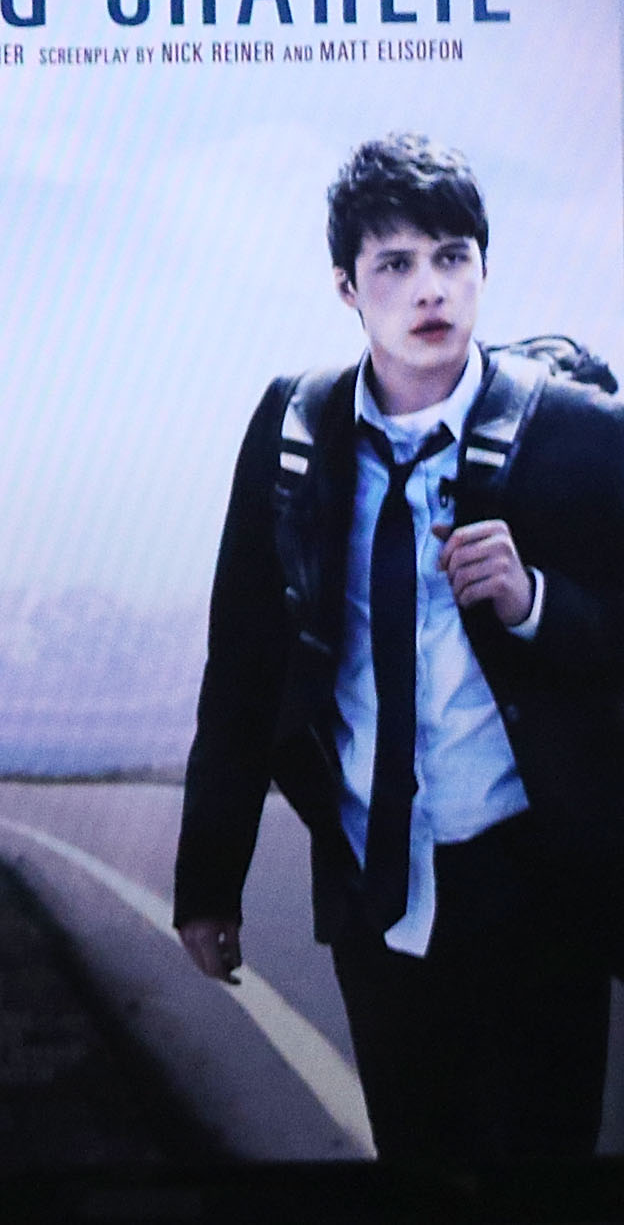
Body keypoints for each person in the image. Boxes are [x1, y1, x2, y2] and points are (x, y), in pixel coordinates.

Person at [175, 134, 624, 1164]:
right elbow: (241, 662)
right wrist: (209, 882)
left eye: (452, 256)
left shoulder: (579, 432)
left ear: (483, 267)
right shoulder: (294, 430)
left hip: (538, 877)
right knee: (417, 1167)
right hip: (376, 887)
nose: (431, 288)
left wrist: (536, 602)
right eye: (396, 263)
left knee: (543, 1174)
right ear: (347, 285)